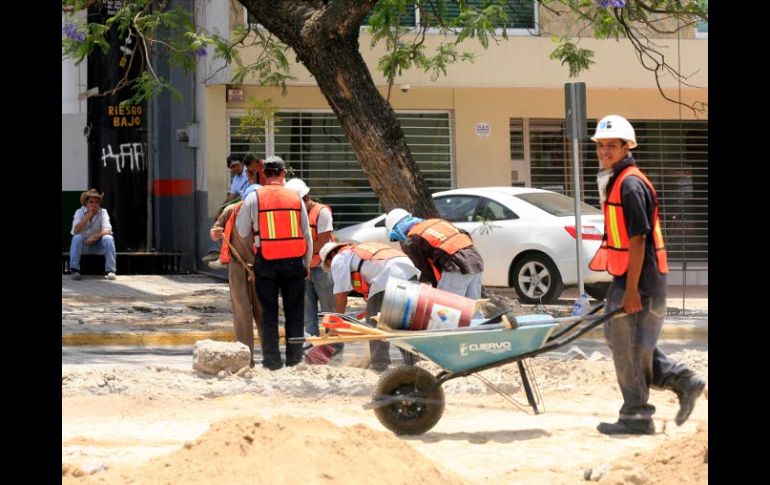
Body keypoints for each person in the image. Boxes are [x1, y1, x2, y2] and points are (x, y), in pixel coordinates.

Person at [588, 114, 706, 435]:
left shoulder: (629, 183)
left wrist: (631, 292)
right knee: (623, 342)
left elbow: (638, 238)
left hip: (639, 282)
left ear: (627, 147)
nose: (604, 151)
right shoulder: (619, 179)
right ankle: (683, 380)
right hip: (629, 278)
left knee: (629, 348)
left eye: (612, 145)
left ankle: (637, 416)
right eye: (601, 145)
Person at [236, 156, 312, 370]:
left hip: (266, 262)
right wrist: (306, 263)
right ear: (283, 173)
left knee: (268, 314)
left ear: (264, 173)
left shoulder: (253, 198)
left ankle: (272, 362)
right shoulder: (295, 197)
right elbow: (307, 235)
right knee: (295, 314)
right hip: (294, 262)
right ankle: (295, 360)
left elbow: (242, 231)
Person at [318, 241, 421, 372]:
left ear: (331, 256)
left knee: (375, 324)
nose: (331, 268)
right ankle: (414, 363)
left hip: (387, 278)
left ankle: (379, 368)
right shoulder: (361, 249)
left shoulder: (339, 257)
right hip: (410, 274)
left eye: (328, 265)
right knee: (401, 323)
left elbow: (341, 294)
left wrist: (337, 319)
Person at [385, 209, 484, 299]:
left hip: (456, 267)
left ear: (397, 229)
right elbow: (464, 233)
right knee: (473, 308)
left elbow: (424, 271)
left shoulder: (412, 240)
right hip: (475, 260)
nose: (400, 240)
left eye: (396, 236)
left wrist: (431, 291)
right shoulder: (435, 222)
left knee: (448, 310)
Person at [210, 201, 263, 367]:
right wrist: (216, 232)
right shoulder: (231, 210)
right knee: (242, 313)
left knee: (264, 313)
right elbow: (214, 232)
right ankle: (246, 359)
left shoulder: (266, 210)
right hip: (238, 267)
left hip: (262, 268)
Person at [285, 178, 336, 337]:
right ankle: (311, 350)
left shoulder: (322, 213)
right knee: (308, 315)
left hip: (322, 269)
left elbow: (321, 244)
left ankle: (334, 350)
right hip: (302, 269)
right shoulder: (293, 215)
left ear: (306, 198)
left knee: (330, 313)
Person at [203, 154, 249, 262]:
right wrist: (219, 210)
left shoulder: (250, 173)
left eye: (236, 165)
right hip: (242, 206)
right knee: (220, 220)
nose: (235, 169)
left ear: (242, 163)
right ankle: (217, 250)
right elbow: (231, 196)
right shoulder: (237, 179)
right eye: (232, 167)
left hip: (253, 205)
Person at [69, 189, 117, 280]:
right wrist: (88, 216)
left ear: (99, 203)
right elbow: (75, 231)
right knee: (77, 238)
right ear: (86, 204)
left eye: (96, 202)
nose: (94, 204)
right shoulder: (79, 212)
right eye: (91, 202)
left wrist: (94, 237)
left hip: (98, 244)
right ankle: (74, 270)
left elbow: (108, 230)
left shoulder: (103, 212)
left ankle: (110, 270)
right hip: (84, 245)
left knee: (108, 238)